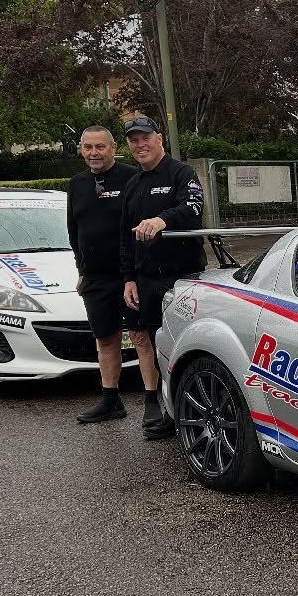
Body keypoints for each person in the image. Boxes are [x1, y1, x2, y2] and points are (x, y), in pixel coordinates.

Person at [118, 115, 207, 438]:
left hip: (181, 278)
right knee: (150, 341)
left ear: (159, 139)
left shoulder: (181, 173)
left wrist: (162, 220)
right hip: (144, 280)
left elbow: (194, 207)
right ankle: (158, 405)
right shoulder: (132, 184)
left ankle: (186, 412)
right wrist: (128, 278)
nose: (140, 145)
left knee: (182, 347)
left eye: (145, 138)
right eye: (134, 140)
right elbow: (125, 237)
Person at [67, 126, 140, 422]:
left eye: (100, 147)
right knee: (105, 339)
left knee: (142, 338)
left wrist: (133, 273)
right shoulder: (77, 183)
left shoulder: (132, 178)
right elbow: (75, 231)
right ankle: (111, 401)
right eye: (88, 147)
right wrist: (82, 269)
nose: (93, 153)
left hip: (131, 277)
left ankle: (156, 403)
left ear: (113, 148)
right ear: (81, 149)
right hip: (96, 278)